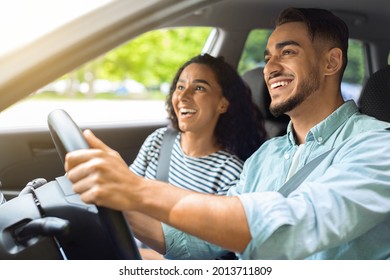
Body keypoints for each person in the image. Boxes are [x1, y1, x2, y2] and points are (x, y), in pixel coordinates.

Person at [64, 7, 390, 259]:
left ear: (331, 63)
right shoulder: (266, 156)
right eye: (268, 57)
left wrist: (136, 189)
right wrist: (113, 198)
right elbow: (199, 241)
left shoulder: (377, 145)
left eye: (288, 52)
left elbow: (290, 226)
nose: (270, 67)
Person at [127, 53, 267, 259]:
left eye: (199, 88)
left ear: (222, 104)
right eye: (180, 87)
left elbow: (202, 254)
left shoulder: (231, 173)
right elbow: (126, 194)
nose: (183, 97)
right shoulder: (159, 141)